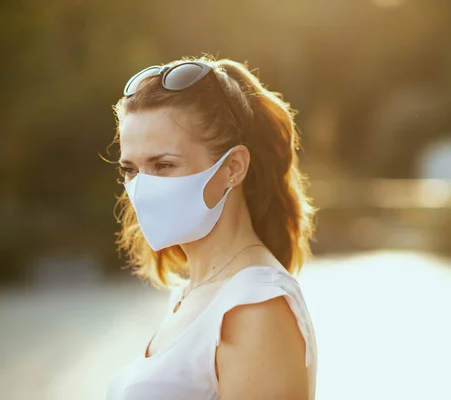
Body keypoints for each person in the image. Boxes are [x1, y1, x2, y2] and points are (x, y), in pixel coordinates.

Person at [106, 56, 318, 400]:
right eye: (130, 169)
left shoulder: (254, 307)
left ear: (233, 167)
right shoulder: (192, 292)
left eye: (163, 165)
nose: (142, 188)